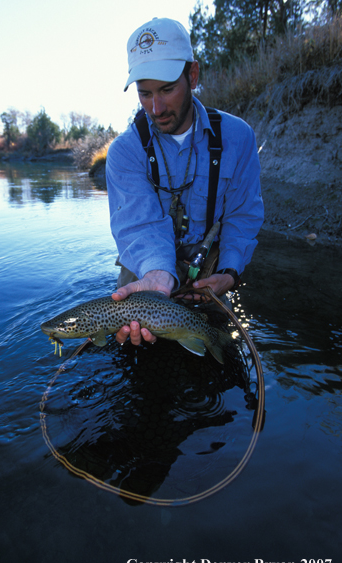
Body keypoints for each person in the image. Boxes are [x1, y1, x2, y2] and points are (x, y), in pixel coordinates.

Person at [106, 17, 264, 347]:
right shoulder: (124, 152)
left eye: (167, 89)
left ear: (192, 75)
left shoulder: (238, 138)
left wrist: (230, 273)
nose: (156, 107)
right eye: (144, 93)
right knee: (135, 352)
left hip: (210, 271)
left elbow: (242, 215)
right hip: (146, 274)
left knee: (219, 346)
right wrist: (157, 274)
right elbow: (138, 226)